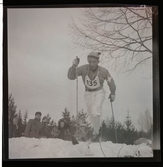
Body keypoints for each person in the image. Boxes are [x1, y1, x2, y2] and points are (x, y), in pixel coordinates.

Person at [67, 51, 116, 141]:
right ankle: (88, 133)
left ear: (98, 62)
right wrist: (74, 65)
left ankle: (96, 133)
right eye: (90, 62)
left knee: (96, 109)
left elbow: (110, 81)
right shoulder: (83, 68)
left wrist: (113, 93)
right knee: (91, 114)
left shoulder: (103, 71)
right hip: (88, 93)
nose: (92, 64)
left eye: (94, 62)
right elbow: (71, 76)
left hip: (99, 92)